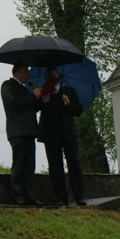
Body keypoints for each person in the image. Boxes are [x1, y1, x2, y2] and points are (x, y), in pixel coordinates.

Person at [37, 67, 87, 206]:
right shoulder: (43, 93)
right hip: (51, 135)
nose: (49, 78)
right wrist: (43, 102)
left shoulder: (69, 91)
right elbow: (35, 108)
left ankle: (79, 196)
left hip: (68, 134)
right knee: (55, 166)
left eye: (52, 76)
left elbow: (78, 110)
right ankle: (61, 198)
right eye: (47, 76)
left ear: (58, 77)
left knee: (74, 164)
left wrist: (68, 103)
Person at [1, 63, 44, 205]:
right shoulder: (7, 86)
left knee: (29, 165)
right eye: (26, 73)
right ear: (18, 72)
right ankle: (18, 195)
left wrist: (40, 99)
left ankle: (30, 195)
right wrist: (32, 95)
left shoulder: (25, 89)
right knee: (19, 164)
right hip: (18, 131)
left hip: (29, 131)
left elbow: (30, 107)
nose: (27, 76)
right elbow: (14, 102)